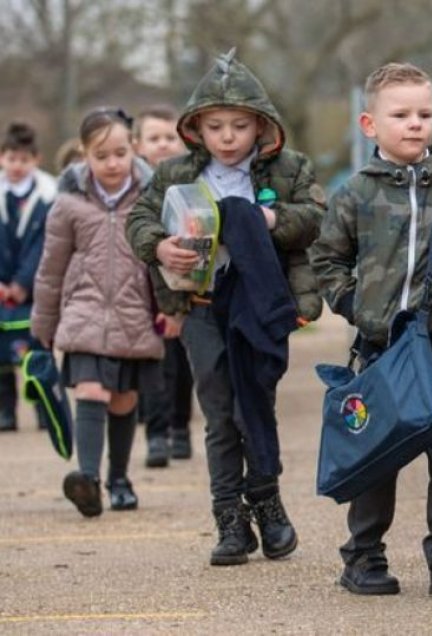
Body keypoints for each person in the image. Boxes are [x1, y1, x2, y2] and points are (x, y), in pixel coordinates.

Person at [310, 62, 432, 597]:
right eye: (400, 115)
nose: (415, 124)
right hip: (383, 353)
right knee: (380, 453)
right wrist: (357, 306)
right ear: (370, 124)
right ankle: (364, 556)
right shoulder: (355, 195)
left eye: (425, 113)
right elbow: (326, 260)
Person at [126, 49, 325, 567]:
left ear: (262, 126)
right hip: (201, 305)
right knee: (218, 412)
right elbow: (140, 219)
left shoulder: (290, 169)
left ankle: (268, 503)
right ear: (196, 128)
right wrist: (158, 246)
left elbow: (314, 218)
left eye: (240, 125)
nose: (229, 136)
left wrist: (270, 218)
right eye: (216, 126)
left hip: (258, 305)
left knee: (252, 404)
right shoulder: (174, 174)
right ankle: (230, 520)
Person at [31, 108, 165, 517]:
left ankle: (119, 478)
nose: (112, 163)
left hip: (134, 313)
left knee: (123, 400)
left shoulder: (152, 198)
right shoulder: (68, 204)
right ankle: (87, 479)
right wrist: (44, 320)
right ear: (84, 156)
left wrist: (171, 311)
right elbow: (51, 267)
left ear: (134, 150)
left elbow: (163, 262)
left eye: (120, 153)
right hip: (83, 312)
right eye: (101, 155)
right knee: (90, 390)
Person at [132, 104, 195, 468]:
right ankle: (155, 432)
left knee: (178, 361)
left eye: (169, 137)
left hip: (177, 285)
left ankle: (179, 427)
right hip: (138, 287)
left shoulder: (189, 186)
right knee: (148, 362)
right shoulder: (133, 187)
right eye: (153, 138)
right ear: (139, 145)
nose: (162, 145)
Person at [0, 122, 57, 431]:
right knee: (1, 353)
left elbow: (46, 245)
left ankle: (43, 407)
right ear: (2, 158)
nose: (17, 166)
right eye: (11, 158)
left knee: (38, 349)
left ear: (35, 160)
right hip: (1, 287)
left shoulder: (50, 196)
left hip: (35, 290)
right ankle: (5, 410)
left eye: (23, 160)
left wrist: (23, 283)